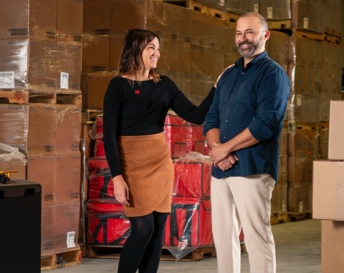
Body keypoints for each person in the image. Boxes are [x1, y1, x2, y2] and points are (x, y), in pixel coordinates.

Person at [102, 29, 216, 273]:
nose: (156, 53)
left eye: (158, 48)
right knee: (142, 229)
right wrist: (117, 177)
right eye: (150, 48)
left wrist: (217, 88)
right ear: (135, 50)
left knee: (157, 231)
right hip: (130, 164)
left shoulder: (164, 84)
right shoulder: (118, 86)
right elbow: (109, 135)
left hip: (159, 163)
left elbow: (196, 115)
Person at [202, 12, 290, 273]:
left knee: (256, 238)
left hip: (253, 168)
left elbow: (265, 123)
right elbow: (211, 117)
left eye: (250, 32)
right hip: (222, 170)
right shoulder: (229, 75)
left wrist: (225, 149)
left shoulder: (273, 74)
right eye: (239, 33)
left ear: (265, 35)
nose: (243, 39)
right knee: (223, 238)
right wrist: (218, 150)